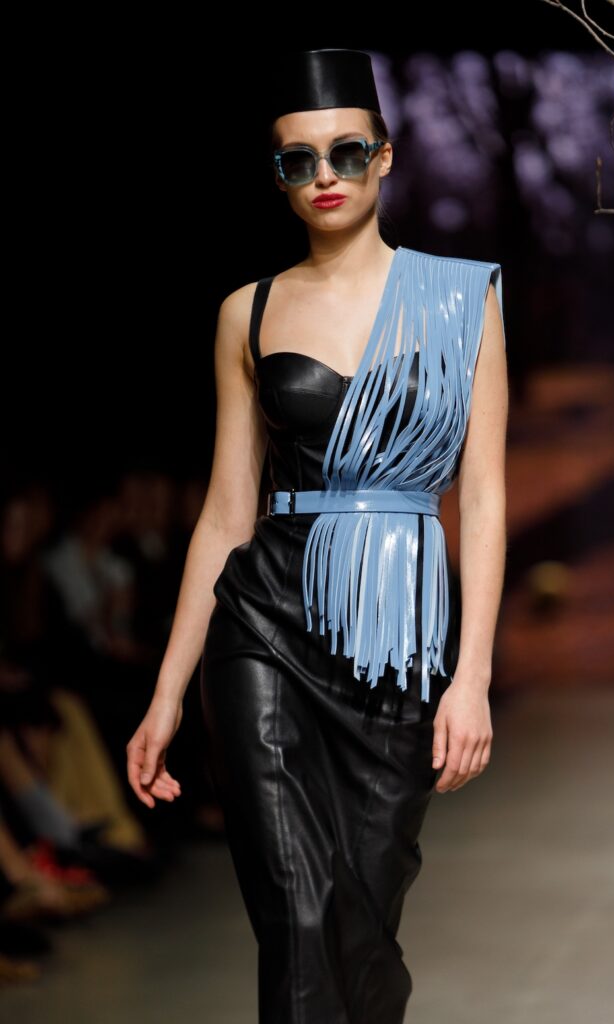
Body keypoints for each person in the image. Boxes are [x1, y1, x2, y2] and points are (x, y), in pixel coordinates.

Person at [126, 48, 508, 1024]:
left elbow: (483, 497)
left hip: (395, 646)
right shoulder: (246, 312)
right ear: (279, 175)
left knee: (363, 927)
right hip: (262, 630)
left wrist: (471, 677)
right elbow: (227, 511)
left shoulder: (464, 298)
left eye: (346, 152)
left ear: (385, 155)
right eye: (299, 160)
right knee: (296, 917)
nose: (325, 176)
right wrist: (165, 696)